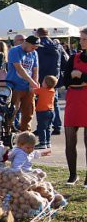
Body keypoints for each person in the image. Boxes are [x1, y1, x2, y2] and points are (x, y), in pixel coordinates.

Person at [61, 27, 87, 184]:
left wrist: (81, 76)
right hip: (73, 103)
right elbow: (66, 81)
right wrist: (81, 82)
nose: (81, 42)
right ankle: (73, 175)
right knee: (70, 140)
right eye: (81, 39)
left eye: (85, 39)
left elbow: (76, 79)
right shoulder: (74, 57)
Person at [35, 27, 67, 137]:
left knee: (41, 103)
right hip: (54, 78)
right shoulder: (57, 46)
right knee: (54, 101)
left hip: (41, 78)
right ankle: (57, 125)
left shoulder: (38, 46)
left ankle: (42, 127)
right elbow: (65, 60)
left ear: (38, 34)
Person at [6, 35, 40, 133]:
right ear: (27, 43)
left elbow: (35, 69)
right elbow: (19, 68)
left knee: (29, 111)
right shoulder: (14, 51)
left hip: (28, 87)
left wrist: (34, 83)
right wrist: (32, 82)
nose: (33, 50)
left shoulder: (34, 53)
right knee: (12, 111)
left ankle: (26, 133)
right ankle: (8, 131)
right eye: (32, 47)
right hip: (15, 85)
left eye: (35, 48)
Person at [33, 75, 58, 150]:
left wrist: (36, 85)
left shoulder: (42, 90)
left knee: (41, 128)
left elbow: (33, 91)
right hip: (51, 111)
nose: (42, 82)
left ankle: (42, 142)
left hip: (42, 111)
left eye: (43, 81)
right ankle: (48, 142)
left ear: (46, 84)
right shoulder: (53, 90)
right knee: (48, 128)